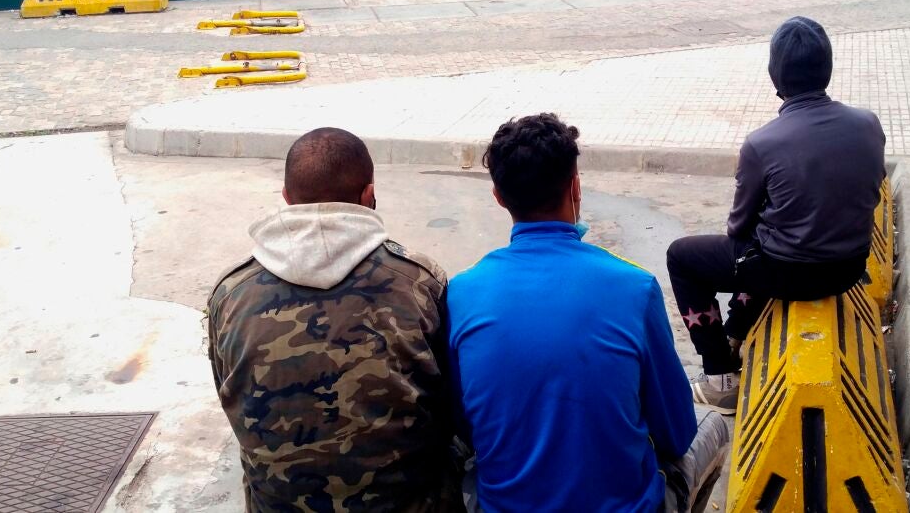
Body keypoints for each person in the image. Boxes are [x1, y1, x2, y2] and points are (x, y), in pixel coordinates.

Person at [448, 113, 729, 512]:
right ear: (576, 187)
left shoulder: (461, 292)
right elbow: (677, 432)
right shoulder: (635, 287)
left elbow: (466, 426)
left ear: (498, 196)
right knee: (712, 424)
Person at [207, 127, 460, 512]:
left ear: (287, 198)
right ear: (368, 195)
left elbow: (231, 395)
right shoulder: (418, 283)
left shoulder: (230, 294)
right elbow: (451, 403)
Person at [667, 16, 886, 414]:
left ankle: (719, 378)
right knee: (766, 239)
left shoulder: (762, 143)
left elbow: (737, 225)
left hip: (792, 274)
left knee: (684, 257)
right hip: (850, 268)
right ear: (828, 67)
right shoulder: (868, 124)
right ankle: (736, 331)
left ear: (775, 75)